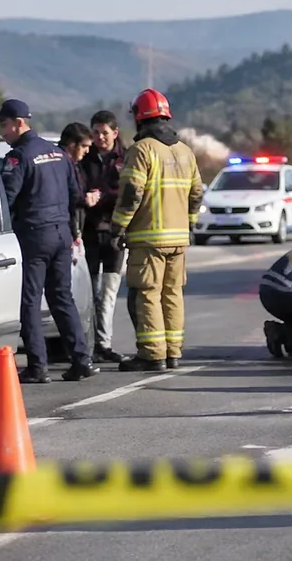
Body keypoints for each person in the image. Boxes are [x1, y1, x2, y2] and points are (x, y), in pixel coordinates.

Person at [0, 99, 97, 383]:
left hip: (35, 234)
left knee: (30, 300)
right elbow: (76, 195)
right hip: (61, 233)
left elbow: (6, 199)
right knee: (62, 297)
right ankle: (81, 359)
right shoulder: (59, 154)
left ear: (19, 123)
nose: (2, 132)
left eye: (4, 125)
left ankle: (38, 366)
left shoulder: (18, 157)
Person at [111, 88, 204, 372]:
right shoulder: (185, 152)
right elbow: (197, 193)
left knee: (147, 294)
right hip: (179, 239)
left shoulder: (142, 150)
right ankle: (173, 352)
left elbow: (131, 193)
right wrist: (190, 223)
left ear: (139, 117)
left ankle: (152, 355)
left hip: (148, 239)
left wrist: (118, 227)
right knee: (172, 294)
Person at [78, 110, 131, 364]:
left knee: (108, 293)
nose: (100, 137)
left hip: (114, 234)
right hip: (89, 232)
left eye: (105, 133)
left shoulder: (126, 158)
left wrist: (103, 196)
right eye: (96, 132)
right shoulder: (85, 158)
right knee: (90, 291)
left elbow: (128, 192)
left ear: (115, 133)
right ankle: (88, 345)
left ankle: (104, 343)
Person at [58, 122, 94, 252]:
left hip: (72, 229)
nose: (87, 151)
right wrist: (84, 200)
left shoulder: (75, 165)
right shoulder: (59, 165)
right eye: (84, 146)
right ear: (72, 144)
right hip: (62, 230)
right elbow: (67, 197)